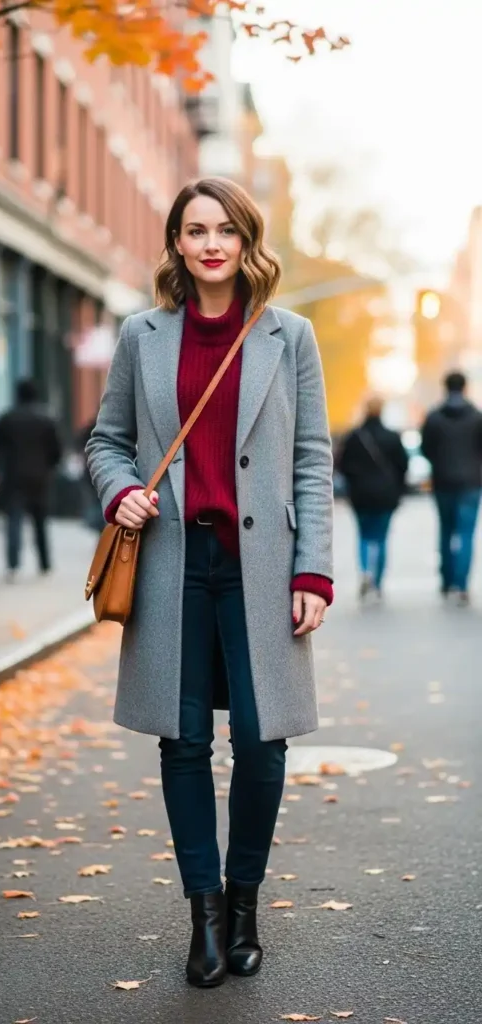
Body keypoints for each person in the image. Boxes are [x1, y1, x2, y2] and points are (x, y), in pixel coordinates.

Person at [86, 177, 333, 989]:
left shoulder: (287, 336)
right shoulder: (143, 335)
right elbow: (107, 441)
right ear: (177, 244)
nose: (211, 243)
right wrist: (122, 491)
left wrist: (313, 571)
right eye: (195, 230)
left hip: (261, 572)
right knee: (183, 742)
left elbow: (308, 462)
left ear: (246, 240)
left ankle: (244, 906)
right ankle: (202, 915)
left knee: (262, 746)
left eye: (225, 228)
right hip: (172, 564)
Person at [0, 378, 62, 580]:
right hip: (39, 477)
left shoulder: (7, 419)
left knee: (14, 520)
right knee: (40, 521)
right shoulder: (46, 418)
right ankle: (45, 564)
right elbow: (56, 451)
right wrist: (50, 467)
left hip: (14, 476)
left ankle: (13, 565)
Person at [337, 396, 408, 599]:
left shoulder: (354, 437)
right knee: (381, 537)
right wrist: (398, 489)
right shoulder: (392, 437)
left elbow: (342, 466)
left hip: (361, 495)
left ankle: (366, 571)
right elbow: (403, 465)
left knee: (364, 535)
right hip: (386, 495)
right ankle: (377, 582)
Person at [421, 371, 482, 604]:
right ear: (465, 387)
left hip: (443, 482)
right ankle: (462, 584)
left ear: (445, 387)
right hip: (470, 483)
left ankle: (446, 582)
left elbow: (426, 448)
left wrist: (440, 462)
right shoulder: (476, 416)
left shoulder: (434, 417)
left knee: (446, 531)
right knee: (466, 534)